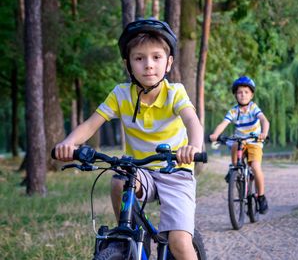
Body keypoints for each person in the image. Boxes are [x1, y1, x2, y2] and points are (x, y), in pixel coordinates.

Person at [54, 18, 203, 260]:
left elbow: (192, 122)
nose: (148, 65)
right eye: (139, 58)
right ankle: (131, 238)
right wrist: (69, 144)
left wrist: (193, 147)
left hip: (175, 170)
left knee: (179, 242)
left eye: (156, 57)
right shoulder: (120, 94)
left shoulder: (175, 92)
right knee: (118, 181)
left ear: (169, 63)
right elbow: (91, 124)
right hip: (141, 171)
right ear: (128, 64)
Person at [209, 76, 270, 214]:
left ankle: (260, 197)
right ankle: (234, 170)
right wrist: (215, 135)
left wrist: (264, 133)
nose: (243, 95)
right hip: (240, 141)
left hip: (254, 141)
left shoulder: (253, 108)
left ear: (251, 94)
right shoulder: (233, 111)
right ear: (236, 95)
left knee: (255, 166)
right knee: (234, 143)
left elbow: (264, 121)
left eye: (246, 92)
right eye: (240, 92)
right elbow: (223, 124)